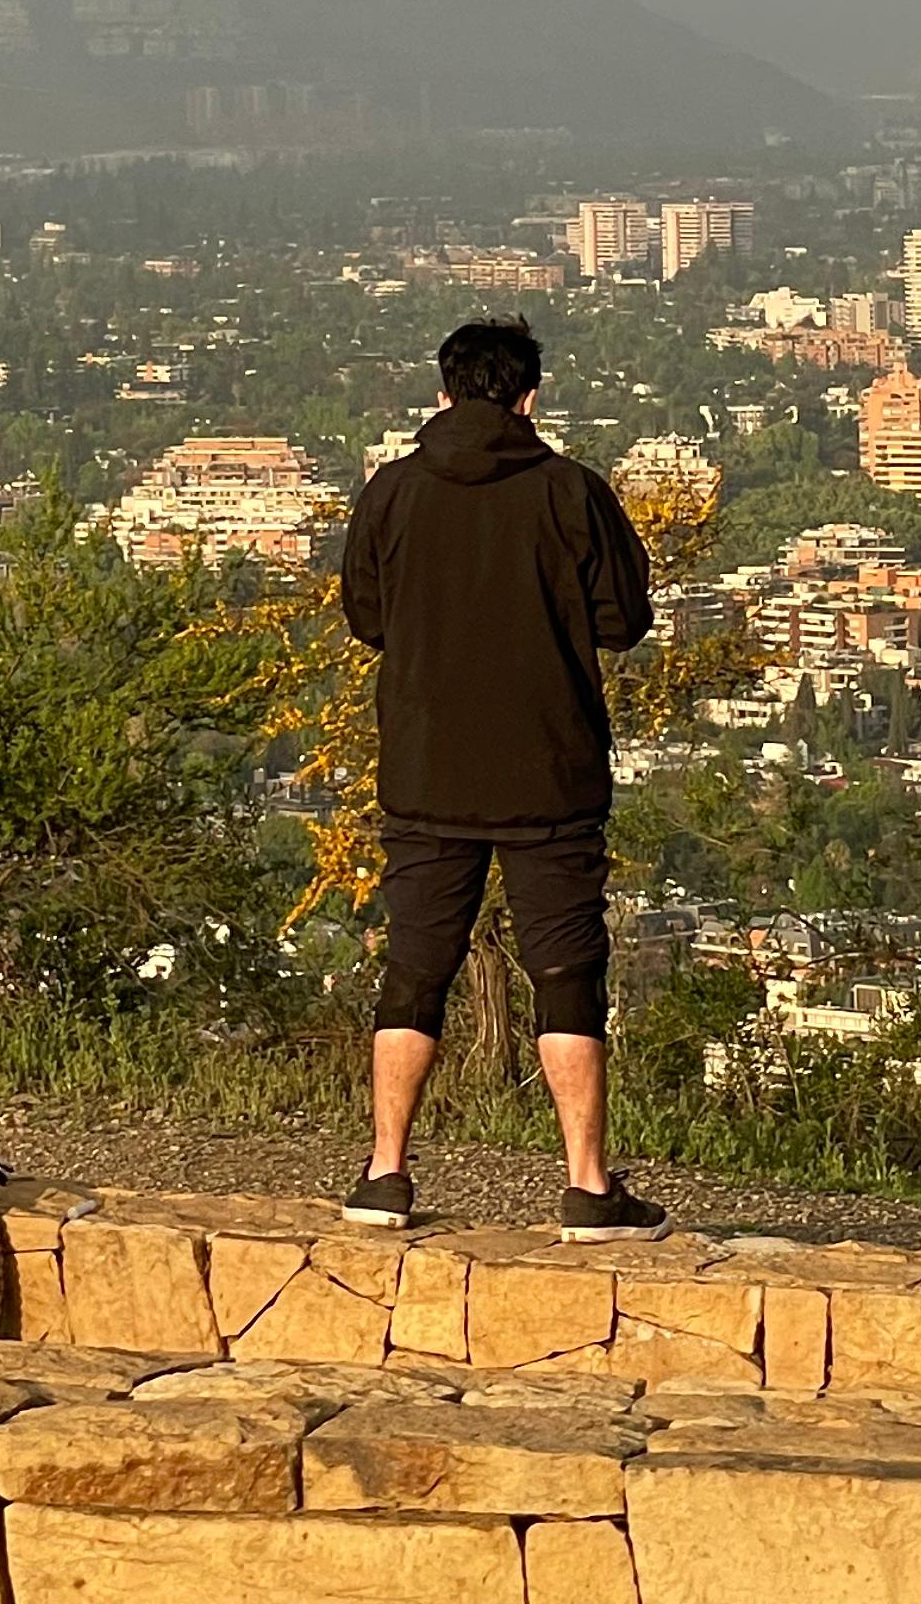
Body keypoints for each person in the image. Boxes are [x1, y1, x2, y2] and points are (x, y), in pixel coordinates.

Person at [335, 314, 664, 1237]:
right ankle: (588, 1187)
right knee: (566, 971)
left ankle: (385, 1174)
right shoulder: (571, 493)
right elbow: (620, 620)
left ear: (443, 393)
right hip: (548, 773)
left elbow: (367, 618)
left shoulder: (391, 493)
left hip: (426, 768)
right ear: (529, 396)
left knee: (414, 969)